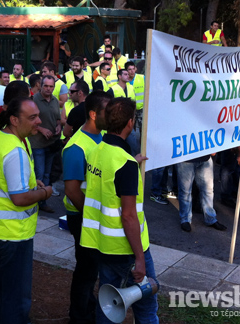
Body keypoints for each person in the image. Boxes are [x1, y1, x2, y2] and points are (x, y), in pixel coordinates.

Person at [80, 97, 158, 324]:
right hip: (126, 250)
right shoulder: (125, 164)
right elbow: (129, 215)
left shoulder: (97, 150)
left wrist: (131, 161)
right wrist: (140, 259)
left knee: (109, 304)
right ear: (130, 123)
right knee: (146, 307)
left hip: (102, 245)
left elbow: (107, 181)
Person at [0, 97, 52, 324]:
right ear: (14, 120)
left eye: (38, 115)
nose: (38, 121)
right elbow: (19, 198)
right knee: (15, 294)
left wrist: (31, 185)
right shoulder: (15, 150)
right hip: (12, 234)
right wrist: (44, 193)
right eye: (32, 117)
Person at [62, 91, 112, 324]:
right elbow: (72, 192)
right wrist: (92, 215)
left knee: (91, 268)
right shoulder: (76, 148)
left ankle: (88, 306)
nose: (112, 116)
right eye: (107, 112)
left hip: (92, 216)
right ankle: (79, 317)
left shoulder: (101, 136)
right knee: (86, 269)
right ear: (93, 114)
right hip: (82, 217)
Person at [29, 76, 62, 207]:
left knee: (48, 174)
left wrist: (59, 126)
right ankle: (35, 202)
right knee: (39, 174)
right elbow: (28, 120)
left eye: (51, 86)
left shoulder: (54, 100)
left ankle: (43, 203)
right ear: (41, 86)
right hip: (38, 144)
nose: (49, 89)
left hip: (51, 143)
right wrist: (41, 129)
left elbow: (58, 118)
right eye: (46, 86)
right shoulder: (34, 100)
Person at [176, 155, 227, 232]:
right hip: (186, 159)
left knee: (208, 190)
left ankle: (210, 218)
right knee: (185, 191)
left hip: (205, 158)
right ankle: (185, 219)